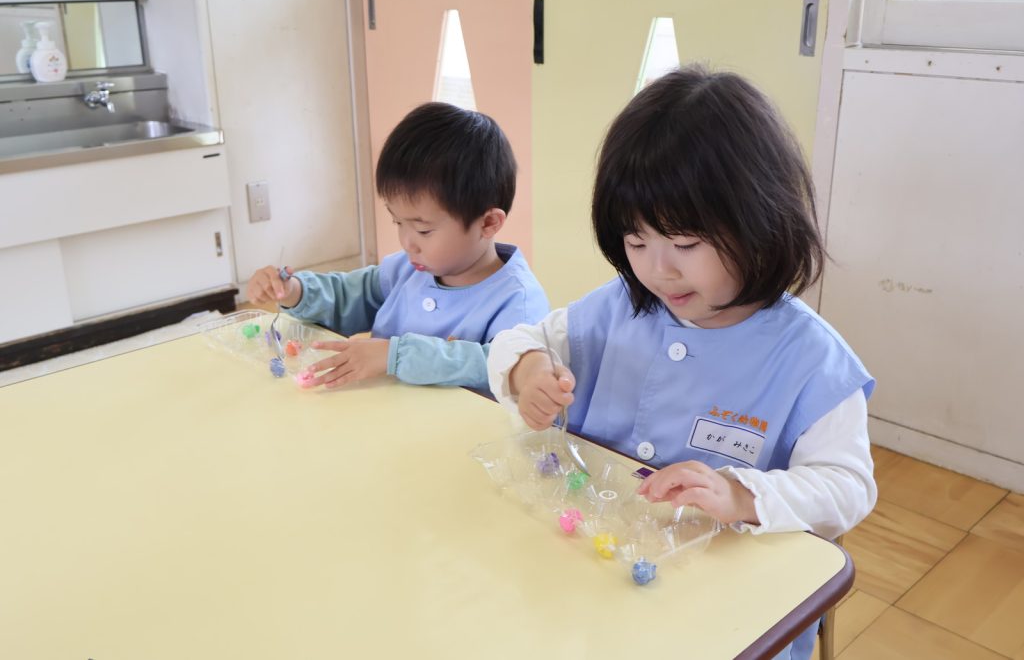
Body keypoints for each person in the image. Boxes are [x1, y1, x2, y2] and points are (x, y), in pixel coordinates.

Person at [487, 66, 875, 660]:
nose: (658, 270)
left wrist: (741, 495)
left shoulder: (812, 362)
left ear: (760, 223)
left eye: (686, 244)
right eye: (636, 242)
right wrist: (529, 369)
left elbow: (847, 487)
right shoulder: (617, 308)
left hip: (726, 617)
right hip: (589, 583)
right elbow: (517, 339)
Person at [248, 102, 549, 390]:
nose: (406, 242)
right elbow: (349, 295)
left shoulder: (518, 301)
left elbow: (502, 366)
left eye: (423, 230)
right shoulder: (407, 269)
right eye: (397, 222)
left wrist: (396, 356)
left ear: (488, 223)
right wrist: (296, 291)